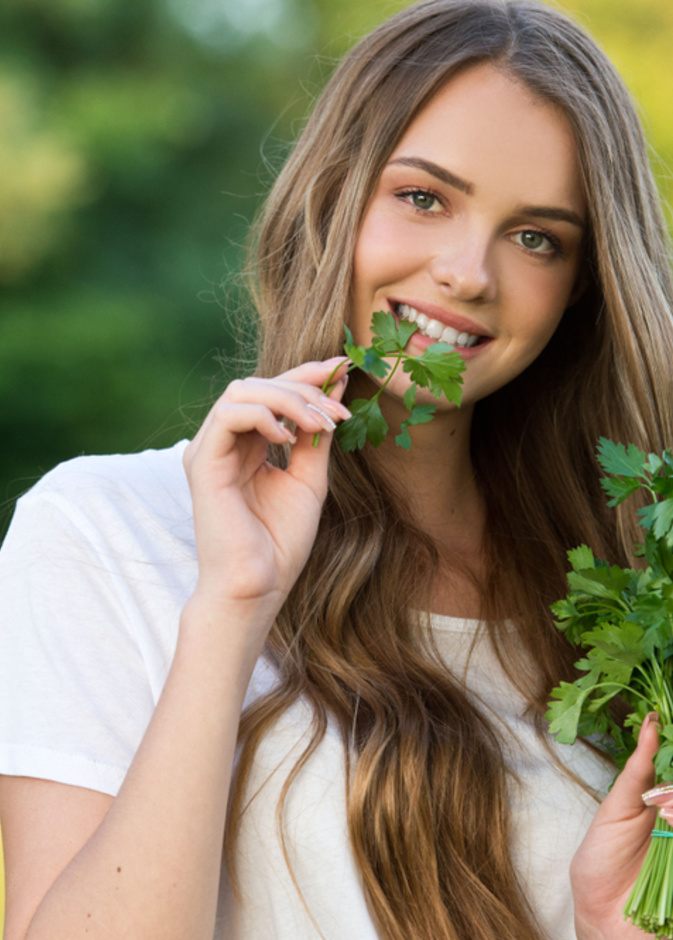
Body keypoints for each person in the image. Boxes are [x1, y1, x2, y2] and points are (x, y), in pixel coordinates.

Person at [1, 0, 673, 937]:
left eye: (537, 238)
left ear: (583, 289)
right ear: (333, 194)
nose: (468, 272)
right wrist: (233, 604)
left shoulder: (622, 601)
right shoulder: (107, 531)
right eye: (424, 197)